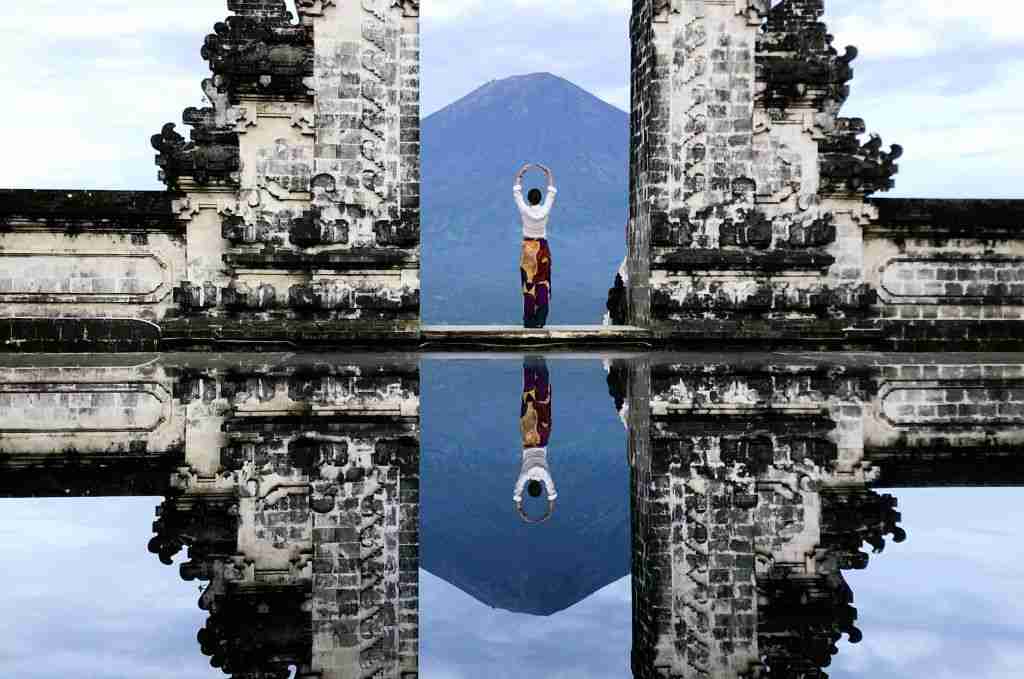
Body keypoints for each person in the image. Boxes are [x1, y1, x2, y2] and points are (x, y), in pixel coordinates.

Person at [513, 163, 557, 328]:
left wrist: (521, 172)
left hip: (528, 249)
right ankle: (541, 318)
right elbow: (551, 191)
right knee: (543, 282)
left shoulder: (525, 210)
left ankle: (529, 319)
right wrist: (548, 173)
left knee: (528, 284)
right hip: (542, 248)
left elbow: (516, 191)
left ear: (529, 199)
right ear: (539, 199)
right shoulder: (545, 209)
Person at [514, 357, 557, 524]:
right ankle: (529, 362)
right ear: (529, 485)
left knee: (543, 398)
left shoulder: (545, 475)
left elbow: (551, 491)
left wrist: (550, 508)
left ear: (539, 486)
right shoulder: (524, 475)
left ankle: (541, 364)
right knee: (528, 398)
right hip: (527, 438)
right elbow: (517, 490)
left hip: (542, 437)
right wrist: (519, 507)